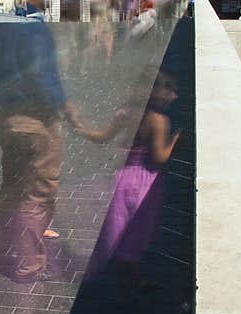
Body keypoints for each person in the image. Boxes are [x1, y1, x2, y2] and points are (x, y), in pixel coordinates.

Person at [0, 0, 84, 282]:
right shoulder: (35, 28)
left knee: (11, 185)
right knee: (37, 194)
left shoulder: (0, 25)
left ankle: (4, 245)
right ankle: (29, 266)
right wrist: (65, 106)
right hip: (37, 120)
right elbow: (40, 75)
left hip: (8, 118)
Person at [76, 69, 181, 295]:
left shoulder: (126, 112)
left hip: (122, 178)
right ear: (155, 93)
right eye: (170, 91)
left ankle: (125, 275)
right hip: (144, 182)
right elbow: (159, 157)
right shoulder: (159, 120)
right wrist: (175, 141)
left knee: (119, 226)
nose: (174, 96)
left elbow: (102, 137)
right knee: (137, 229)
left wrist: (82, 128)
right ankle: (130, 277)